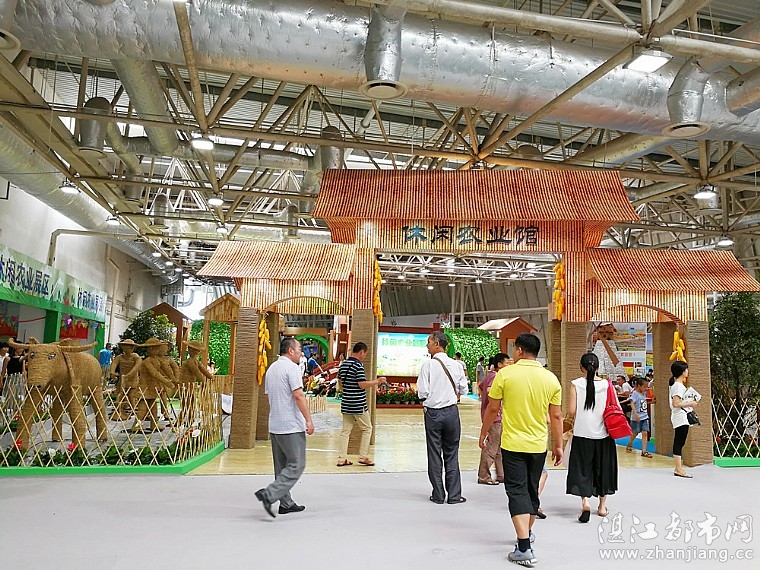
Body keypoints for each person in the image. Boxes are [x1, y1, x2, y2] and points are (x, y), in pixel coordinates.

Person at [479, 333, 563, 567]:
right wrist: (558, 445)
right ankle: (526, 532)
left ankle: (524, 547)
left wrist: (484, 432)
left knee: (516, 492)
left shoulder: (505, 375)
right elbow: (556, 415)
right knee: (531, 491)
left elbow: (492, 409)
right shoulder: (550, 378)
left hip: (513, 445)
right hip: (538, 445)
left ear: (518, 350)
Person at [255, 337, 314, 518]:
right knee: (297, 464)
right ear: (290, 350)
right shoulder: (291, 368)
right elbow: (298, 395)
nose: (301, 353)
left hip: (275, 424)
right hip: (290, 425)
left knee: (281, 466)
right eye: (299, 349)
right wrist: (308, 420)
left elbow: (269, 396)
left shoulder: (272, 368)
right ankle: (269, 494)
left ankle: (286, 503)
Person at [416, 330, 469, 505]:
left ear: (437, 344)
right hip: (452, 413)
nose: (427, 345)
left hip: (433, 414)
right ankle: (454, 495)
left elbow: (422, 392)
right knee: (452, 453)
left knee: (434, 453)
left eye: (429, 342)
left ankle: (438, 494)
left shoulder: (428, 365)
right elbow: (464, 389)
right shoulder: (456, 365)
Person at [566, 353, 618, 523]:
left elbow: (571, 411)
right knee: (603, 469)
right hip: (604, 435)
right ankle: (602, 507)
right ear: (597, 368)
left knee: (582, 469)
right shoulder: (607, 385)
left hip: (582, 434)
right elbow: (615, 407)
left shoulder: (575, 384)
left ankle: (586, 503)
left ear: (581, 367)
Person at [336, 342, 385, 467]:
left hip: (346, 403)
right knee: (367, 428)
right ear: (361, 352)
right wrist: (377, 381)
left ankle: (342, 458)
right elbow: (361, 384)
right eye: (365, 354)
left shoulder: (344, 364)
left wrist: (347, 391)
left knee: (345, 431)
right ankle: (363, 456)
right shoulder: (358, 365)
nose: (364, 356)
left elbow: (339, 382)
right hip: (358, 403)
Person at [477, 353, 509, 485]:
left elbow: (481, 386)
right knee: (491, 447)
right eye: (507, 363)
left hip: (493, 416)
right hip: (494, 418)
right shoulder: (496, 377)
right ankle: (484, 475)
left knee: (498, 448)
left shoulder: (490, 375)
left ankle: (502, 474)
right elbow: (489, 390)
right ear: (499, 364)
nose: (509, 366)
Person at [670, 360, 700, 478]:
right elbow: (676, 403)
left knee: (680, 441)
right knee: (679, 442)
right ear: (682, 371)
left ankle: (678, 467)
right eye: (686, 369)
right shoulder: (678, 386)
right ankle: (678, 468)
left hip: (681, 416)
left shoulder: (677, 385)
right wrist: (691, 403)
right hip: (680, 417)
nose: (687, 371)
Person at [627, 378, 652, 458]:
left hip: (644, 417)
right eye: (644, 387)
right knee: (635, 433)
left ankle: (644, 451)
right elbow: (632, 403)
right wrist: (635, 414)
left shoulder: (644, 393)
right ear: (638, 386)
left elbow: (643, 402)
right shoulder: (635, 394)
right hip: (636, 418)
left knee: (645, 433)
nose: (646, 388)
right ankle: (630, 443)